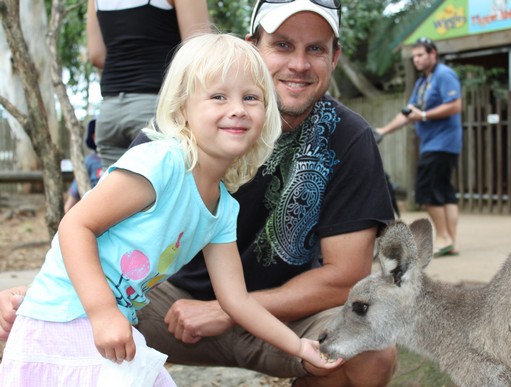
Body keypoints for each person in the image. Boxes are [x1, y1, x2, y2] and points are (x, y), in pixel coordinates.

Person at [0, 1, 398, 386]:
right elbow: (79, 225)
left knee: (372, 348)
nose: (237, 109)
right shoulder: (163, 158)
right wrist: (51, 298)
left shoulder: (224, 202)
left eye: (250, 98)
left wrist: (300, 347)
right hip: (107, 313)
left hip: (208, 312)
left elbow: (238, 300)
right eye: (281, 44)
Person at [87, 0, 210, 169]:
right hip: (156, 108)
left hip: (110, 113)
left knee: (114, 191)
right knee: (165, 190)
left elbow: (97, 55)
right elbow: (200, 51)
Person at [375, 37, 462, 257]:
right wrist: (383, 131)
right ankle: (450, 240)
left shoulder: (444, 75)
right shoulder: (423, 83)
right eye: (414, 56)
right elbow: (408, 113)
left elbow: (455, 105)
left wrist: (423, 115)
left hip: (441, 143)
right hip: (436, 144)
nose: (416, 59)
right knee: (445, 193)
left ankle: (442, 238)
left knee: (425, 192)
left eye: (420, 55)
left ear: (433, 54)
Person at [64, 119, 104, 212]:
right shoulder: (89, 161)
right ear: (93, 136)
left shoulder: (125, 157)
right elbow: (74, 194)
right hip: (95, 212)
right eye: (98, 131)